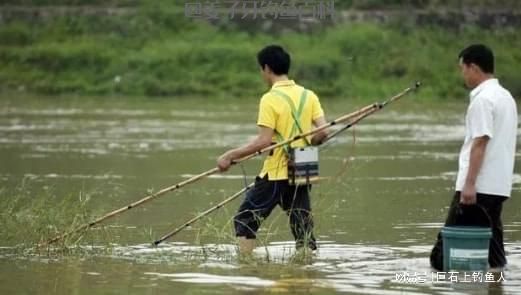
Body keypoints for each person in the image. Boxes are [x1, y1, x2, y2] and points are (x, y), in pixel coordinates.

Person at [217, 45, 328, 254]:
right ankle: (307, 270)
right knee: (302, 225)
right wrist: (303, 144)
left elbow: (263, 142)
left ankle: (247, 268)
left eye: (261, 69)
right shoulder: (309, 95)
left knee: (245, 220)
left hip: (278, 169)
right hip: (304, 163)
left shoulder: (270, 99)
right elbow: (323, 133)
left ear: (266, 68)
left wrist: (229, 155)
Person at [430, 44, 518, 271]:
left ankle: (446, 285)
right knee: (494, 256)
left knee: (441, 257)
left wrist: (469, 184)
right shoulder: (506, 97)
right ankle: (497, 286)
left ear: (474, 67)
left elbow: (480, 142)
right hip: (498, 187)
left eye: (463, 69)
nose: (463, 74)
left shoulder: (482, 100)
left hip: (477, 188)